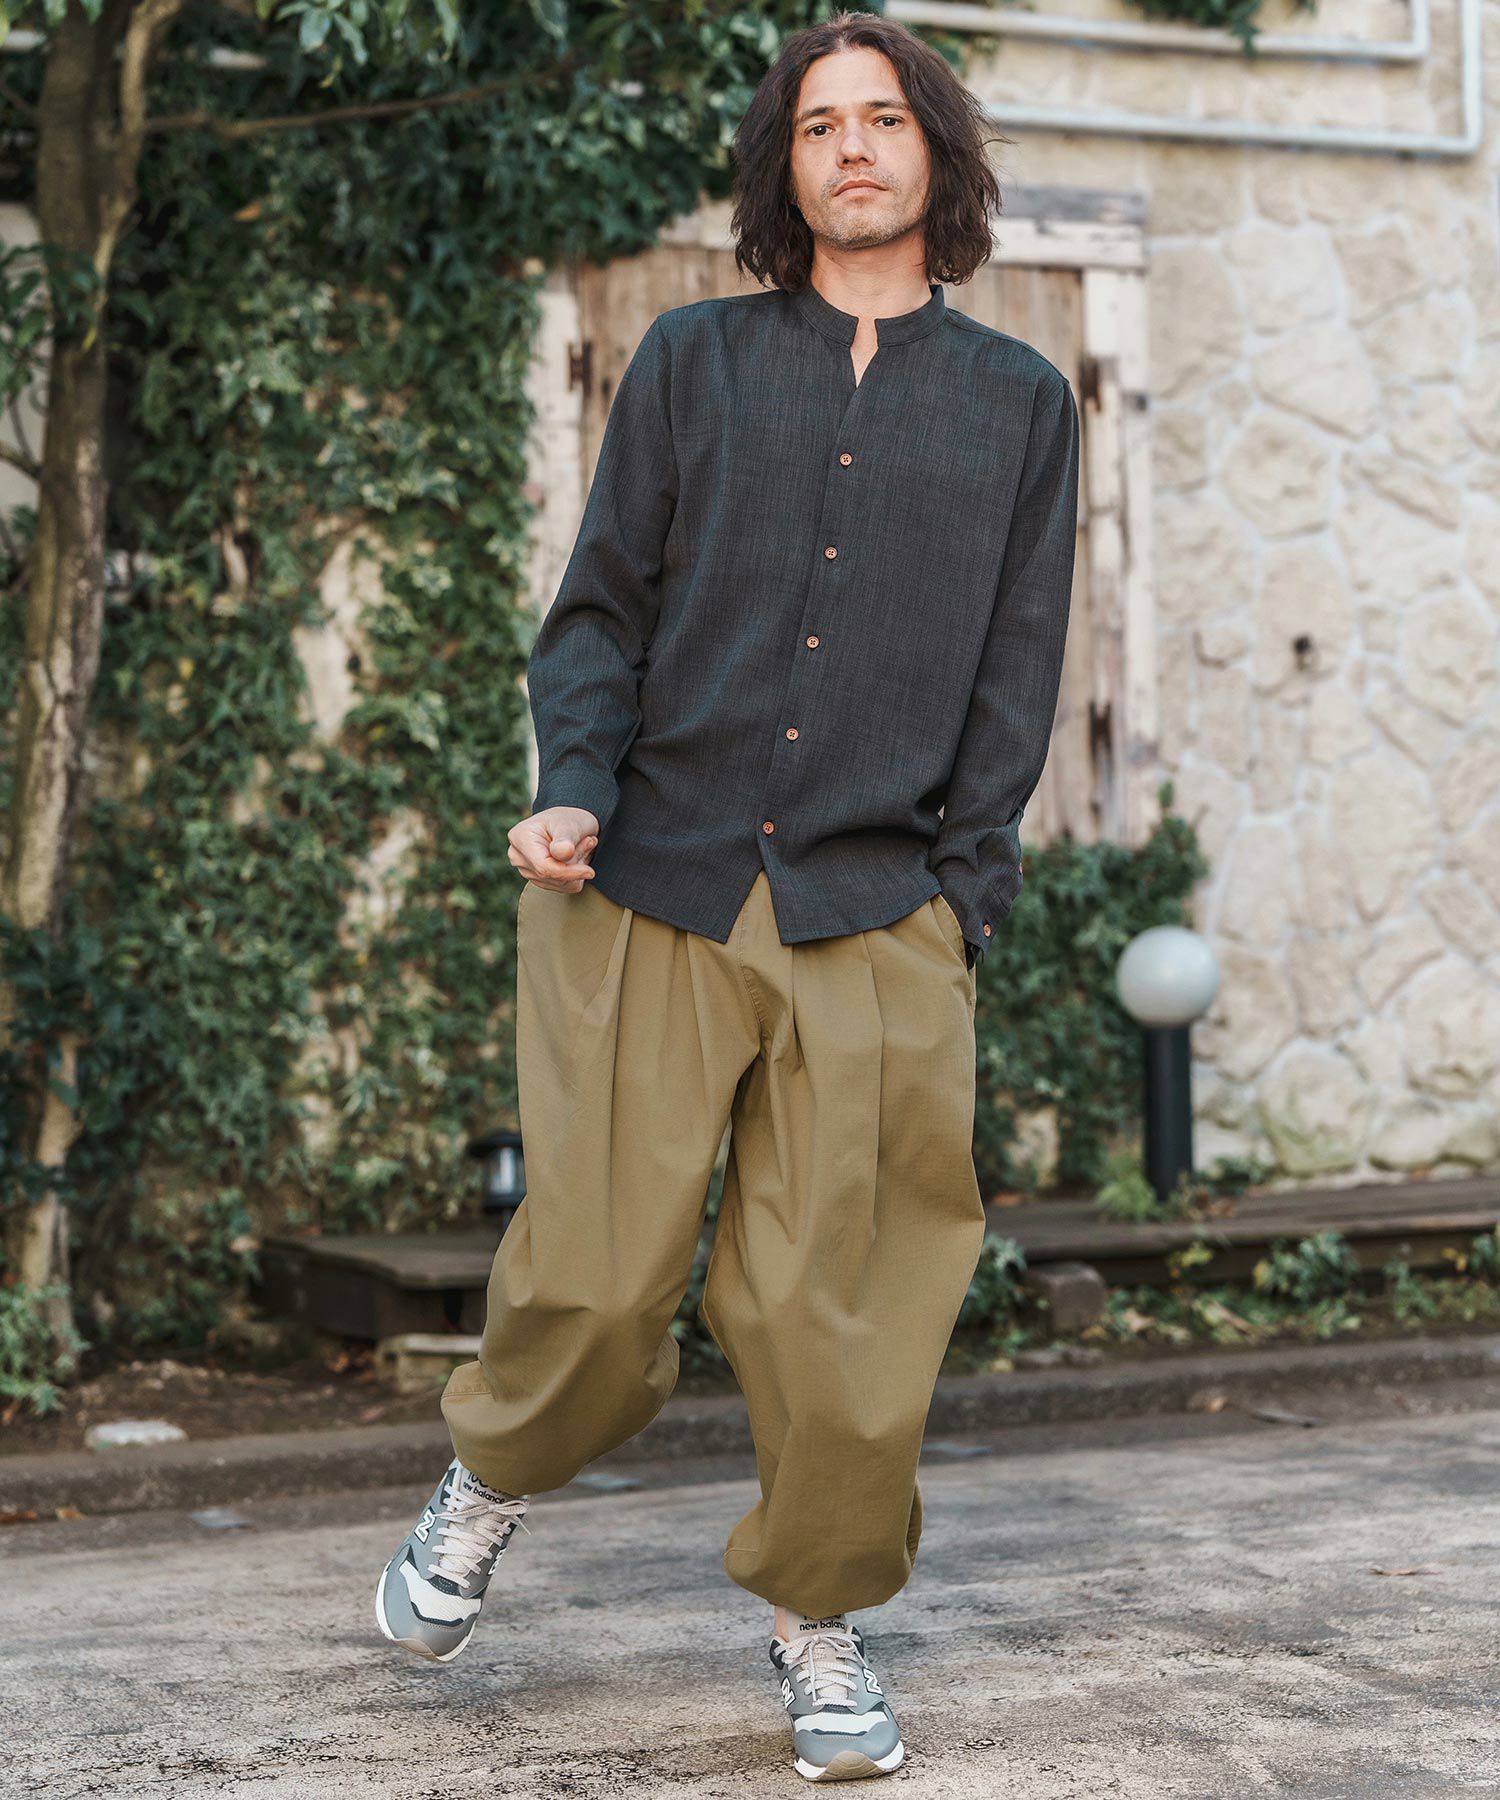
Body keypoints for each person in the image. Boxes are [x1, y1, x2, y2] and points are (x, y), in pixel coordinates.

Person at [375, 8, 1079, 1784]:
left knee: (848, 1309)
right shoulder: (692, 361)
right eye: (819, 124)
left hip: (879, 910)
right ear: (785, 167)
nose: (853, 147)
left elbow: (1018, 676)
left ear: (936, 153)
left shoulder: (1019, 406)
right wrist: (572, 785)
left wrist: (959, 903)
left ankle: (818, 1617)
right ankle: (490, 1475)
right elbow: (600, 609)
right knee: (602, 1275)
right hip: (655, 880)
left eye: (883, 118)